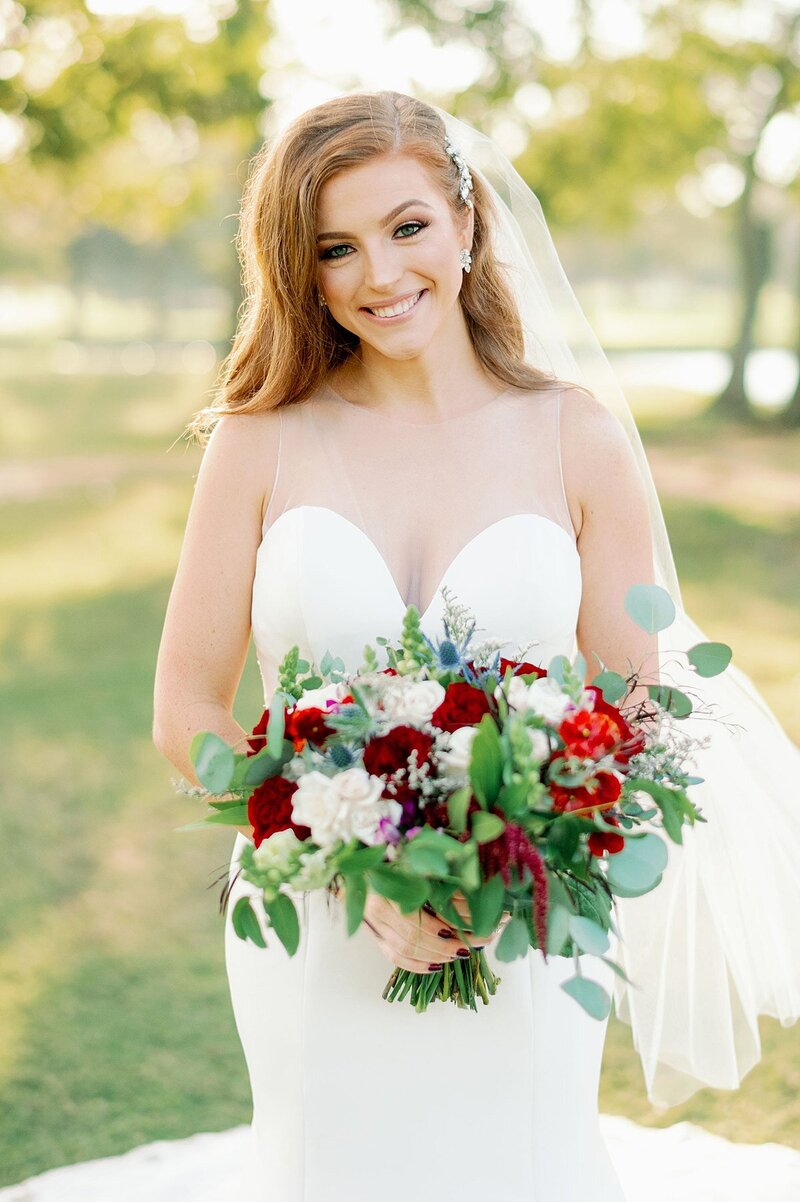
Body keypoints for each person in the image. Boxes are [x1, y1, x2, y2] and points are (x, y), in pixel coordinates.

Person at [153, 89, 800, 1201]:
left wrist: (511, 849)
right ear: (299, 269)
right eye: (334, 248)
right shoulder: (256, 443)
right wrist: (353, 859)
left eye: (406, 227)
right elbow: (186, 709)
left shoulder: (574, 435)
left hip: (523, 916)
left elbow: (632, 713)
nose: (378, 274)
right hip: (312, 917)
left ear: (465, 221)